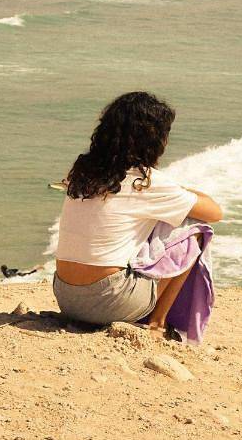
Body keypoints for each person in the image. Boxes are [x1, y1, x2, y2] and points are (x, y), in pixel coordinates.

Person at [54, 91, 222, 336]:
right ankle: (156, 322)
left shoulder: (81, 173)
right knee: (196, 229)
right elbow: (214, 212)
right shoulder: (146, 182)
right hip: (110, 303)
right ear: (153, 139)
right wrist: (179, 190)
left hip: (66, 297)